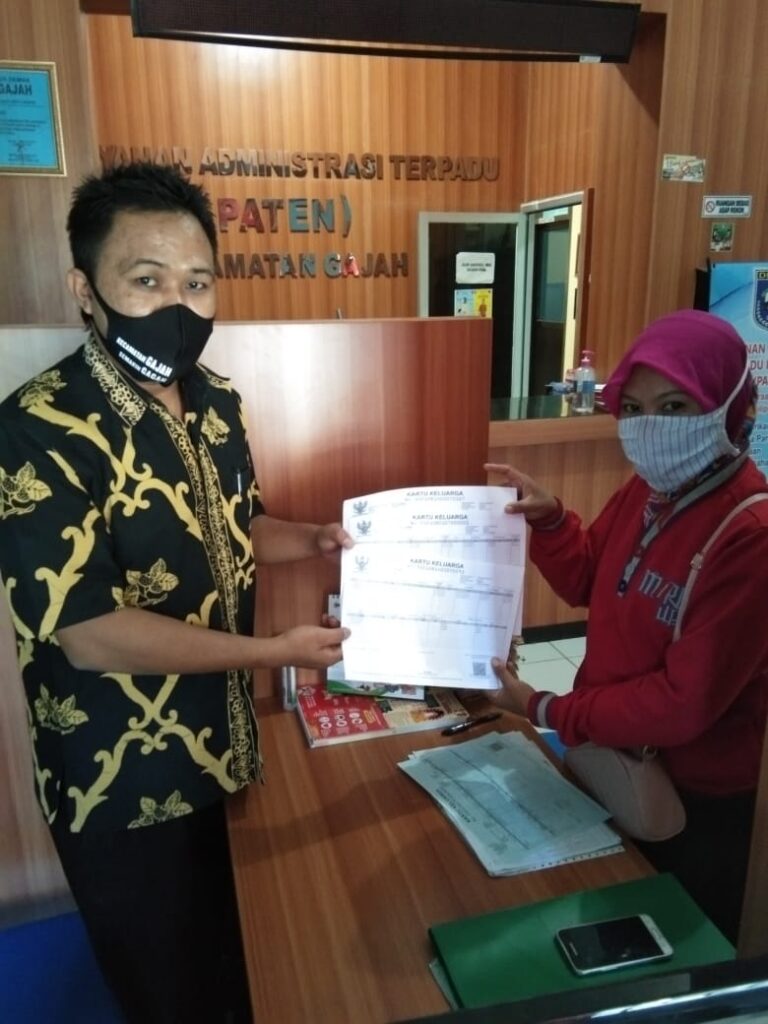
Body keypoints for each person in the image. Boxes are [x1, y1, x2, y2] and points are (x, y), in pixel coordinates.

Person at [0, 162, 353, 1023]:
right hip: (118, 785)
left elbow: (238, 526)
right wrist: (270, 653)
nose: (178, 305)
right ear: (86, 290)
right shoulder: (34, 428)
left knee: (242, 973)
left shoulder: (218, 402)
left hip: (224, 751)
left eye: (197, 283)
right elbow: (87, 631)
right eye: (146, 280)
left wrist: (310, 538)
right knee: (168, 996)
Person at [486, 309, 768, 944]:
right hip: (612, 761)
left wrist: (544, 708)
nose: (650, 428)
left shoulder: (750, 536)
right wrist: (551, 520)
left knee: (674, 956)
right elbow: (589, 577)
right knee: (596, 929)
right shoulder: (649, 491)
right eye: (634, 409)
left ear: (729, 408)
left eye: (674, 405)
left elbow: (681, 705)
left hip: (695, 802)